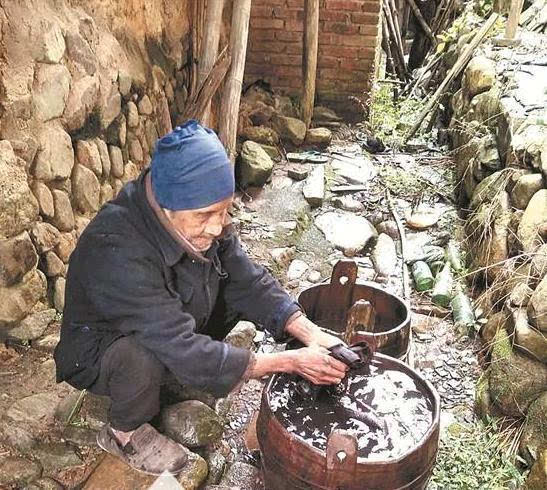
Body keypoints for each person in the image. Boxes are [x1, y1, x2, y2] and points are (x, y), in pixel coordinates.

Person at [54, 120, 347, 476]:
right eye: (204, 215)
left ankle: (198, 370)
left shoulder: (200, 214)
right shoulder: (117, 248)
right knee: (141, 356)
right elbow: (176, 342)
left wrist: (308, 332)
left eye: (224, 210)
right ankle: (123, 433)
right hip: (100, 350)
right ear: (167, 206)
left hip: (164, 320)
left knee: (232, 289)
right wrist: (287, 362)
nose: (218, 225)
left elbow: (247, 279)